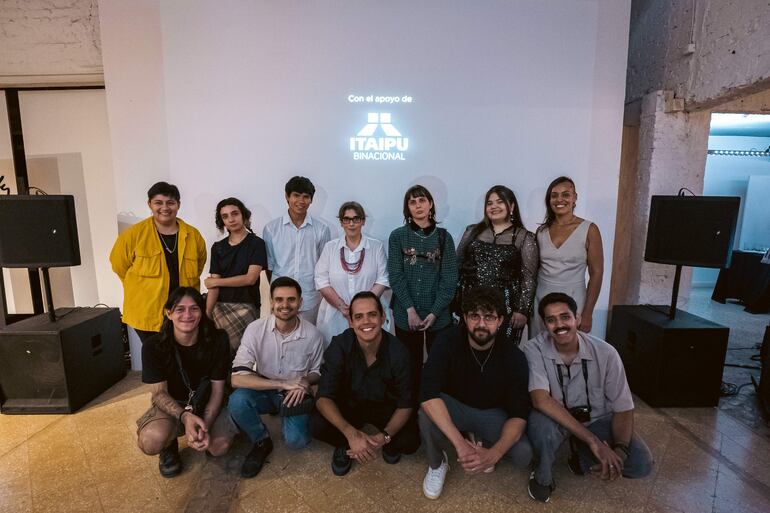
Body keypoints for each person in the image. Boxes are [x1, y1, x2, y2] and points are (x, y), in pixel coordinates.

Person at [521, 292, 652, 503]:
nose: (559, 325)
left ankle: (579, 456)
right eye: (551, 320)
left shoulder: (607, 353)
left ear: (577, 318)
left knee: (640, 464)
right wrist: (594, 442)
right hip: (556, 418)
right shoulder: (533, 349)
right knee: (542, 431)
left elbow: (623, 407)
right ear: (544, 325)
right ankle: (543, 473)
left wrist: (619, 450)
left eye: (565, 317)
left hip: (595, 419)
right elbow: (540, 400)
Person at [419, 287, 532, 500]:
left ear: (500, 321)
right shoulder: (447, 341)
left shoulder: (514, 356)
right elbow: (427, 393)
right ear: (464, 318)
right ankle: (437, 463)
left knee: (523, 455)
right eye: (474, 316)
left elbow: (519, 413)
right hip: (455, 407)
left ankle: (481, 440)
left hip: (492, 412)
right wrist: (459, 445)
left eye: (489, 317)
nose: (481, 324)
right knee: (426, 413)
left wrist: (494, 454)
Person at [312, 291, 419, 476]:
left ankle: (389, 442)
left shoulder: (399, 352)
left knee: (409, 442)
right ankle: (345, 444)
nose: (366, 321)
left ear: (383, 317)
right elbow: (323, 397)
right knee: (316, 425)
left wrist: (385, 436)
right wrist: (350, 433)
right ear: (351, 322)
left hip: (385, 406)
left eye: (372, 314)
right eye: (359, 317)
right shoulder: (340, 345)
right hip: (350, 405)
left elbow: (406, 402)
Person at [228, 277, 325, 478]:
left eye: (291, 299)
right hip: (265, 387)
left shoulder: (314, 334)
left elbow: (317, 371)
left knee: (297, 442)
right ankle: (261, 439)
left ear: (300, 302)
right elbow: (236, 379)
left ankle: (285, 413)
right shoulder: (255, 329)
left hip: (294, 394)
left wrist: (305, 381)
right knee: (237, 401)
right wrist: (282, 383)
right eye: (279, 299)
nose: (285, 305)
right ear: (271, 302)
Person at [135, 287, 236, 477]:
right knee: (150, 442)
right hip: (174, 405)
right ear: (169, 313)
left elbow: (217, 391)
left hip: (208, 402)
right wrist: (185, 417)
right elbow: (159, 394)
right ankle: (169, 444)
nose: (187, 315)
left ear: (202, 312)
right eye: (180, 309)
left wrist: (205, 426)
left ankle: (208, 430)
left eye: (194, 309)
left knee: (219, 447)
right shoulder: (153, 346)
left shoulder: (218, 339)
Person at [110, 182, 207, 341]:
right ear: (150, 204)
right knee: (154, 353)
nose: (165, 208)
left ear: (178, 205)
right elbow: (119, 265)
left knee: (183, 353)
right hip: (147, 311)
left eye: (170, 202)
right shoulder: (133, 235)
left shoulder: (193, 235)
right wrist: (137, 286)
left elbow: (199, 266)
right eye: (158, 203)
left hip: (184, 313)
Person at [387, 185, 458, 394]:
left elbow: (449, 279)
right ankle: (410, 408)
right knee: (409, 366)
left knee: (439, 366)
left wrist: (435, 312)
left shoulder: (444, 237)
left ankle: (435, 406)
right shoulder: (397, 236)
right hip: (405, 313)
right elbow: (395, 276)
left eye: (422, 200)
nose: (418, 206)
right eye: (412, 202)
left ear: (431, 204)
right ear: (407, 208)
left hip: (438, 314)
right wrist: (410, 309)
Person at [456, 185, 538, 345]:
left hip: (505, 308)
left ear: (511, 206)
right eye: (489, 203)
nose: (494, 206)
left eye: (500, 202)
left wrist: (522, 310)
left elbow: (529, 277)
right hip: (472, 304)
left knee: (502, 352)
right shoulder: (472, 231)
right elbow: (457, 264)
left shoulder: (524, 237)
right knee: (467, 351)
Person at [531, 176, 603, 336]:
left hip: (574, 300)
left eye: (565, 194)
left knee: (569, 347)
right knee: (540, 347)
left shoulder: (590, 230)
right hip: (541, 300)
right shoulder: (541, 231)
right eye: (554, 195)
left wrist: (588, 313)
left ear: (574, 197)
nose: (559, 199)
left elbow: (597, 274)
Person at [315, 201, 389, 346]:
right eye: (347, 219)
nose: (351, 223)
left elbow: (383, 279)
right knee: (337, 352)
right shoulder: (330, 248)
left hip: (369, 314)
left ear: (363, 221)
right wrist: (342, 307)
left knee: (370, 350)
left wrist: (363, 307)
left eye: (356, 219)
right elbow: (321, 280)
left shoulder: (376, 247)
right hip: (335, 314)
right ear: (341, 223)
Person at [263, 176, 332, 324]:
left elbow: (324, 267)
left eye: (306, 196)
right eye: (296, 195)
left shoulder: (322, 230)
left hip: (310, 298)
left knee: (309, 335)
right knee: (280, 335)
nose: (301, 201)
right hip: (280, 299)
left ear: (311, 200)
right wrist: (278, 290)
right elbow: (269, 265)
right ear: (287, 197)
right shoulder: (271, 229)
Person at [205, 197, 268, 352]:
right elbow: (213, 287)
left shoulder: (257, 243)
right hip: (219, 309)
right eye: (225, 216)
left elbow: (250, 278)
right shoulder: (217, 247)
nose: (231, 219)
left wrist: (216, 282)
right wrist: (207, 312)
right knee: (220, 354)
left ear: (243, 215)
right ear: (222, 221)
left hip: (247, 307)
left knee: (243, 354)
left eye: (235, 213)